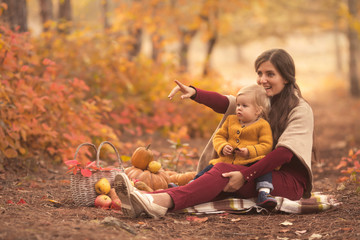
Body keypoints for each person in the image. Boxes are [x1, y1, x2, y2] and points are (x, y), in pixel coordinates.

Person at [114, 48, 314, 219]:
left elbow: (284, 154)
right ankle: (146, 200)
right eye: (259, 73)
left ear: (286, 78)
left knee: (223, 172)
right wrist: (195, 93)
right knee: (210, 183)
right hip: (259, 173)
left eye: (270, 74)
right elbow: (227, 103)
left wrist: (245, 175)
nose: (262, 80)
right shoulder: (264, 101)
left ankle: (158, 201)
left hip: (288, 183)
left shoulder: (299, 109)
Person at [193, 84, 277, 209]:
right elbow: (219, 136)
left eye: (244, 106)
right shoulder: (231, 120)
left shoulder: (262, 125)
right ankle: (191, 185)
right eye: (238, 105)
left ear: (258, 110)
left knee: (263, 167)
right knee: (209, 169)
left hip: (250, 162)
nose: (239, 108)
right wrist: (223, 146)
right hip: (226, 161)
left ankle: (264, 193)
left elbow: (266, 145)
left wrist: (249, 151)